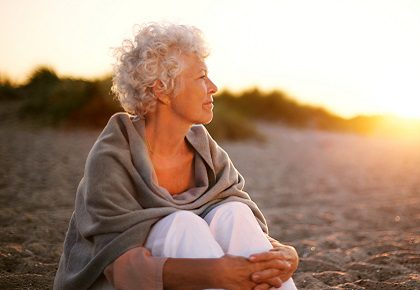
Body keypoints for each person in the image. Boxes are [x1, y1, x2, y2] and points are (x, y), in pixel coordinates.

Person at [54, 23, 299, 290]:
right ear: (162, 89)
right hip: (118, 281)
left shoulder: (205, 150)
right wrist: (215, 275)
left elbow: (246, 228)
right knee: (183, 224)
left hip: (193, 272)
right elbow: (121, 268)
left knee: (234, 212)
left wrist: (282, 254)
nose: (213, 87)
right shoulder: (113, 157)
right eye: (201, 77)